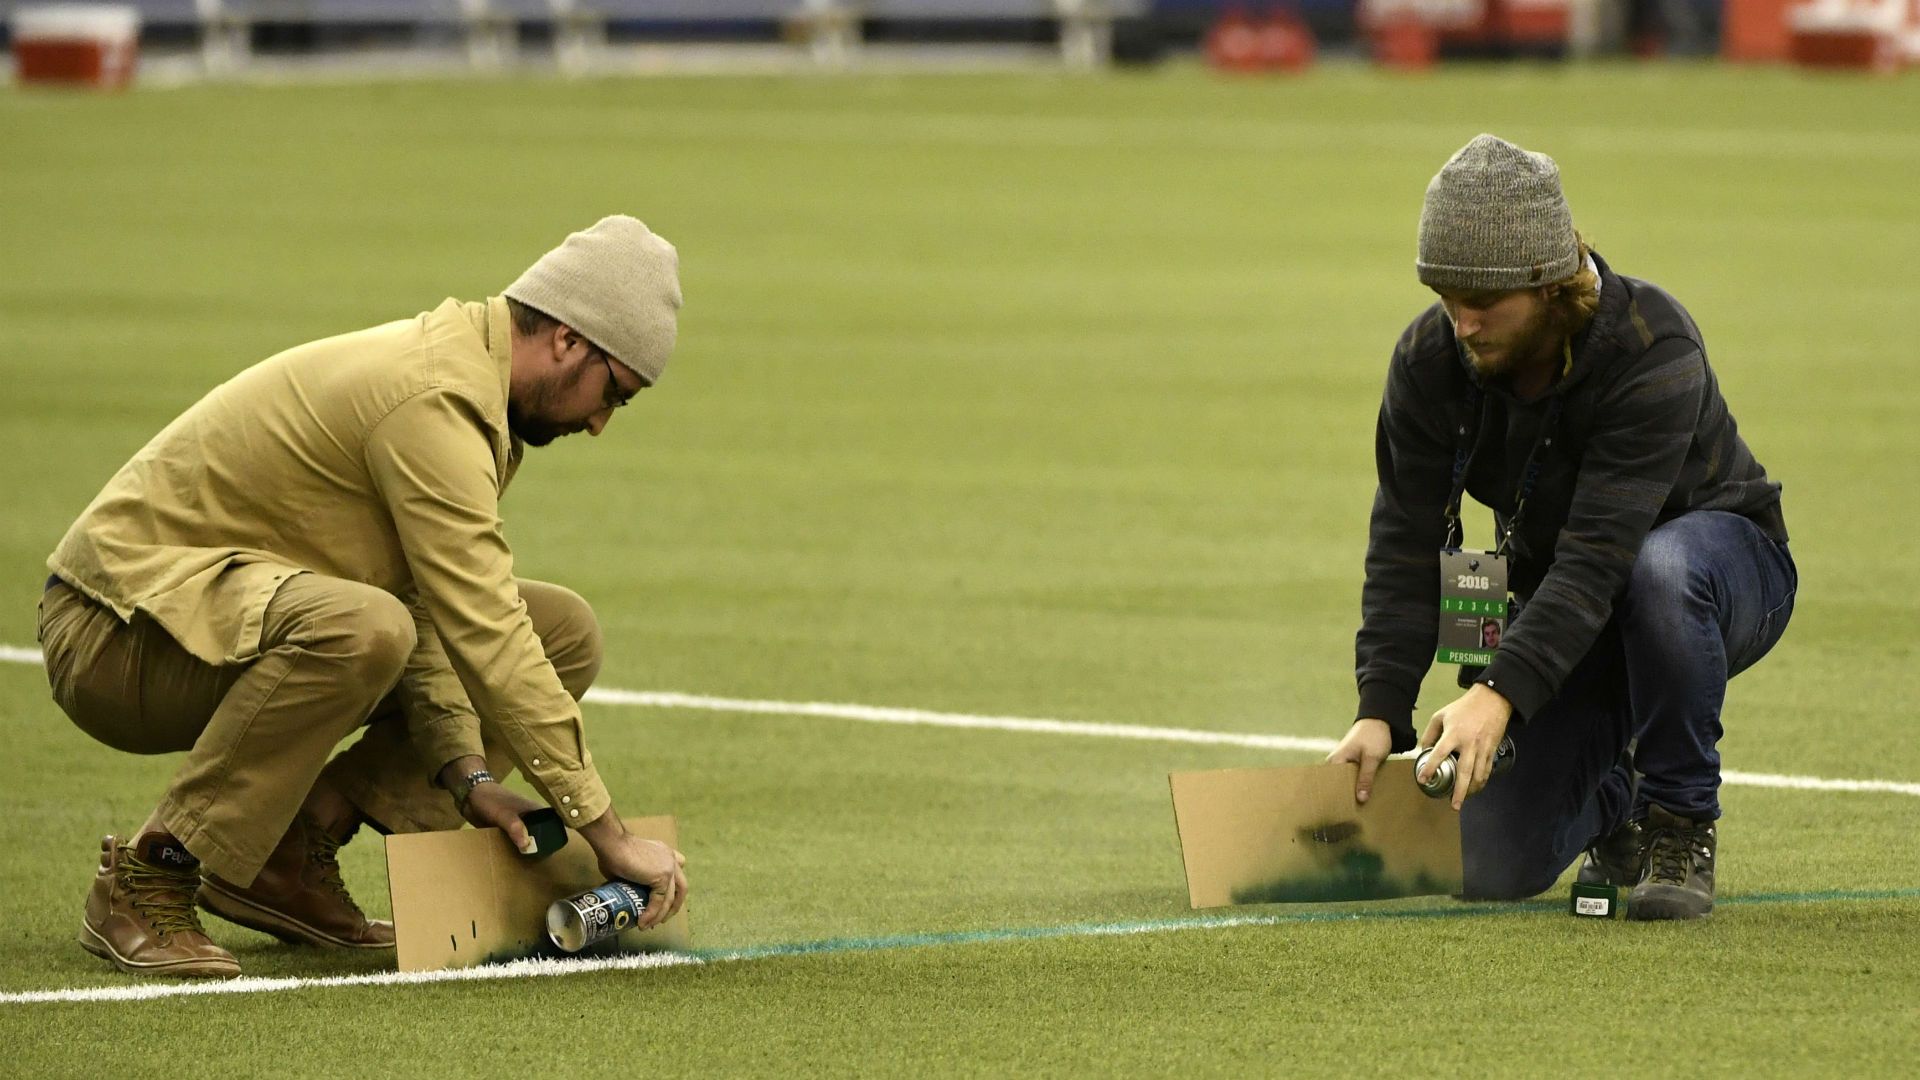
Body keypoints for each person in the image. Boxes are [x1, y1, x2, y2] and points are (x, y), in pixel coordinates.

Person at [37, 215, 692, 978]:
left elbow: (431, 607)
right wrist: (606, 832)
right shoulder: (435, 401)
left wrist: (469, 776)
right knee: (364, 628)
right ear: (568, 341)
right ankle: (152, 874)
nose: (601, 422)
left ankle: (289, 858)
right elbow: (480, 628)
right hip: (108, 631)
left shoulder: (467, 390)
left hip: (200, 616)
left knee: (562, 631)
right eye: (614, 392)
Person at [1324, 136, 1795, 920]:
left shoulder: (1650, 347)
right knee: (1488, 859)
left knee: (1661, 569)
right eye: (1446, 297)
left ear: (1548, 284)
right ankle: (1617, 798)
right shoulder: (1429, 362)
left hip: (1719, 576)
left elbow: (1599, 557)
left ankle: (1677, 821)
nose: (1462, 323)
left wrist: (1501, 691)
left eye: (1483, 303)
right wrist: (1381, 707)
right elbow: (1405, 541)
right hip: (1576, 607)